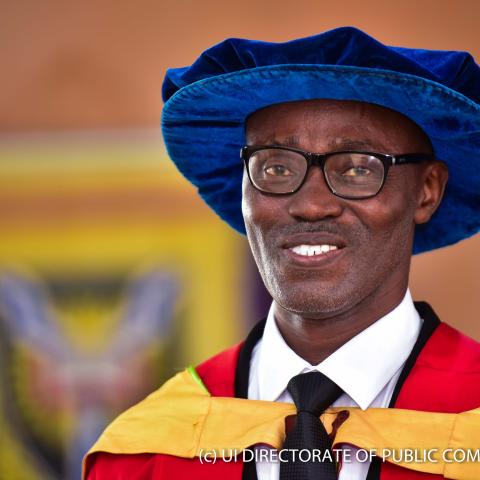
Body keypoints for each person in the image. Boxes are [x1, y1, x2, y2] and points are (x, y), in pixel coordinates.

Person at [83, 27, 480, 480]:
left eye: (357, 168)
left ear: (427, 191)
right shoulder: (143, 454)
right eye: (276, 166)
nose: (310, 205)